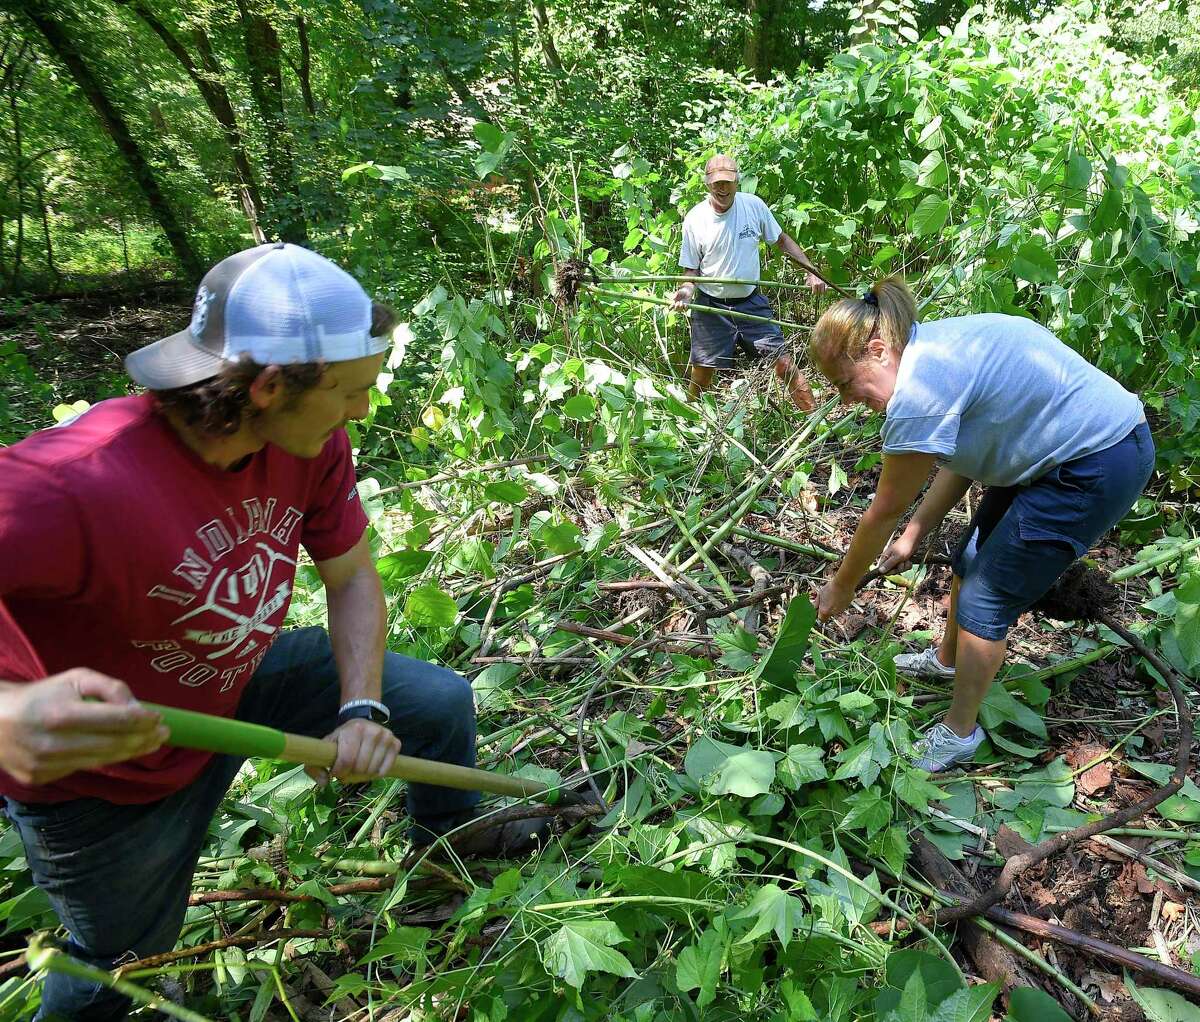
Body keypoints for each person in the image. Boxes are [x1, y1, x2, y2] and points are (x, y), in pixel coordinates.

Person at [0, 242, 546, 1021]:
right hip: (109, 770)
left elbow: (352, 576)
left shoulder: (309, 440)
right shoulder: (67, 482)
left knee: (434, 701)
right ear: (266, 386)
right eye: (350, 391)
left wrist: (361, 708)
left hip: (232, 677)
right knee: (120, 963)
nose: (361, 410)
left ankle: (444, 846)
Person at [810, 277, 1153, 772]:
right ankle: (948, 662)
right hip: (1048, 454)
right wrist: (914, 534)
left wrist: (842, 587)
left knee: (985, 600)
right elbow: (963, 458)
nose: (846, 400)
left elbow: (882, 509)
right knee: (967, 560)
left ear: (879, 350)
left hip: (1096, 461)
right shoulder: (934, 353)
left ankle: (959, 733)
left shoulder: (921, 390)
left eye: (844, 383)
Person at [671, 153, 826, 412]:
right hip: (712, 307)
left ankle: (817, 425)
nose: (722, 188)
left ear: (737, 182)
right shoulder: (695, 219)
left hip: (751, 304)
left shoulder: (753, 206)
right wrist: (685, 291)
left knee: (784, 364)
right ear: (706, 183)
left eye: (728, 182)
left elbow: (782, 240)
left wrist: (811, 271)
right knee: (702, 372)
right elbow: (691, 271)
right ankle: (692, 423)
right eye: (717, 182)